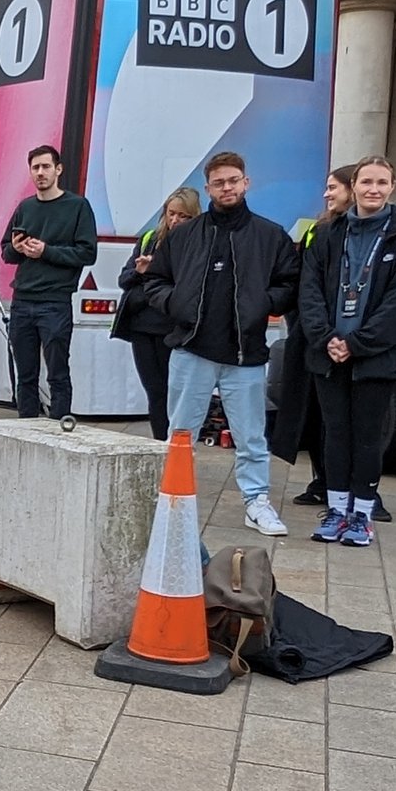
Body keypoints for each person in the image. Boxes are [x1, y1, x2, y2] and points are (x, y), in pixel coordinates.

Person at [140, 151, 300, 537]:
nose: (227, 187)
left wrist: (265, 303)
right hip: (191, 350)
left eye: (234, 180)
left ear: (246, 183)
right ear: (207, 187)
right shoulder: (183, 236)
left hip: (244, 355)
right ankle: (173, 499)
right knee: (180, 434)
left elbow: (290, 283)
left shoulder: (270, 235)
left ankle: (256, 502)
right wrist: (174, 303)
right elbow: (155, 280)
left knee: (251, 437)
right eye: (219, 182)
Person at [296, 157, 396, 547]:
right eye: (366, 181)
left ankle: (362, 516)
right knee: (335, 435)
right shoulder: (328, 234)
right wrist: (327, 339)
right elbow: (311, 291)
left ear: (392, 186)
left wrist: (356, 343)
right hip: (329, 355)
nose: (373, 189)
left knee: (367, 439)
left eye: (382, 182)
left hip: (376, 359)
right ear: (354, 186)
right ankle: (336, 510)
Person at [279, 167, 360, 511]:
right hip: (312, 335)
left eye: (333, 188)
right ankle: (322, 480)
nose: (327, 195)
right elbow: (306, 281)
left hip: (353, 339)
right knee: (313, 414)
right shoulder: (319, 230)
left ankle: (358, 489)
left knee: (349, 422)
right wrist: (316, 330)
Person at [1, 145, 98, 419]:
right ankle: (27, 429)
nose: (40, 173)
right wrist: (17, 249)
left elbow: (87, 252)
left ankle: (59, 430)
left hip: (55, 302)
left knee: (57, 372)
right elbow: (6, 251)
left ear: (58, 169)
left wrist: (46, 251)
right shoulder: (25, 207)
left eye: (45, 166)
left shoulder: (77, 206)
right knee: (25, 376)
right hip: (22, 301)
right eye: (35, 167)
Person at [111, 187, 199, 440]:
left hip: (174, 328)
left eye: (183, 216)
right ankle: (161, 443)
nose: (175, 221)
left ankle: (178, 445)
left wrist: (158, 270)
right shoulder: (150, 238)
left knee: (177, 391)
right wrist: (140, 271)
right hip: (142, 326)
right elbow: (123, 279)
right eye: (171, 214)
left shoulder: (198, 244)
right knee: (154, 390)